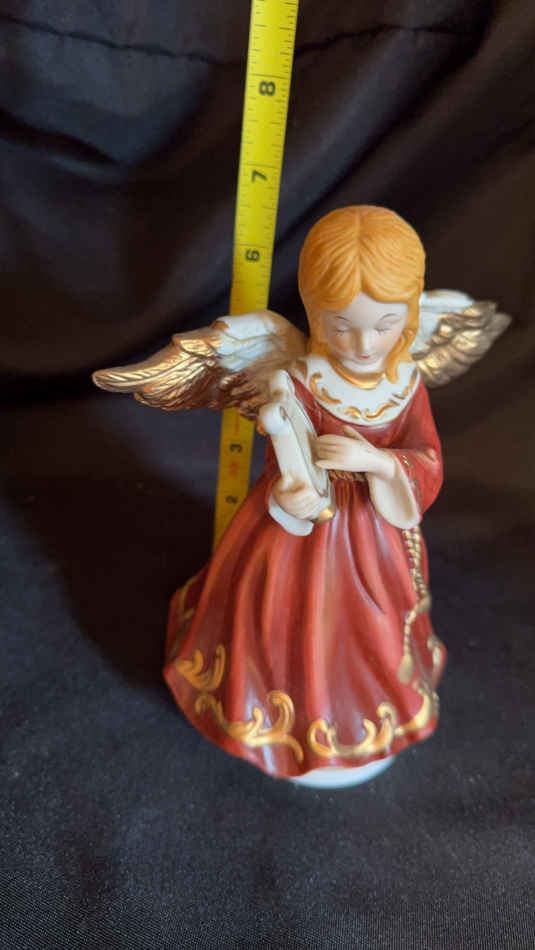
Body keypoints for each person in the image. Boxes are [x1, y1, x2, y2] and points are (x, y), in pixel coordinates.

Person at [163, 205, 447, 784]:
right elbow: (285, 460)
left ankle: (360, 719)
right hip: (299, 537)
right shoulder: (300, 379)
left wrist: (375, 461)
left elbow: (428, 459)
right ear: (315, 314)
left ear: (410, 314)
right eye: (342, 325)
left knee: (369, 629)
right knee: (287, 621)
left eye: (384, 324)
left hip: (374, 541)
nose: (363, 343)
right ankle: (284, 716)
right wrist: (288, 492)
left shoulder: (407, 383)